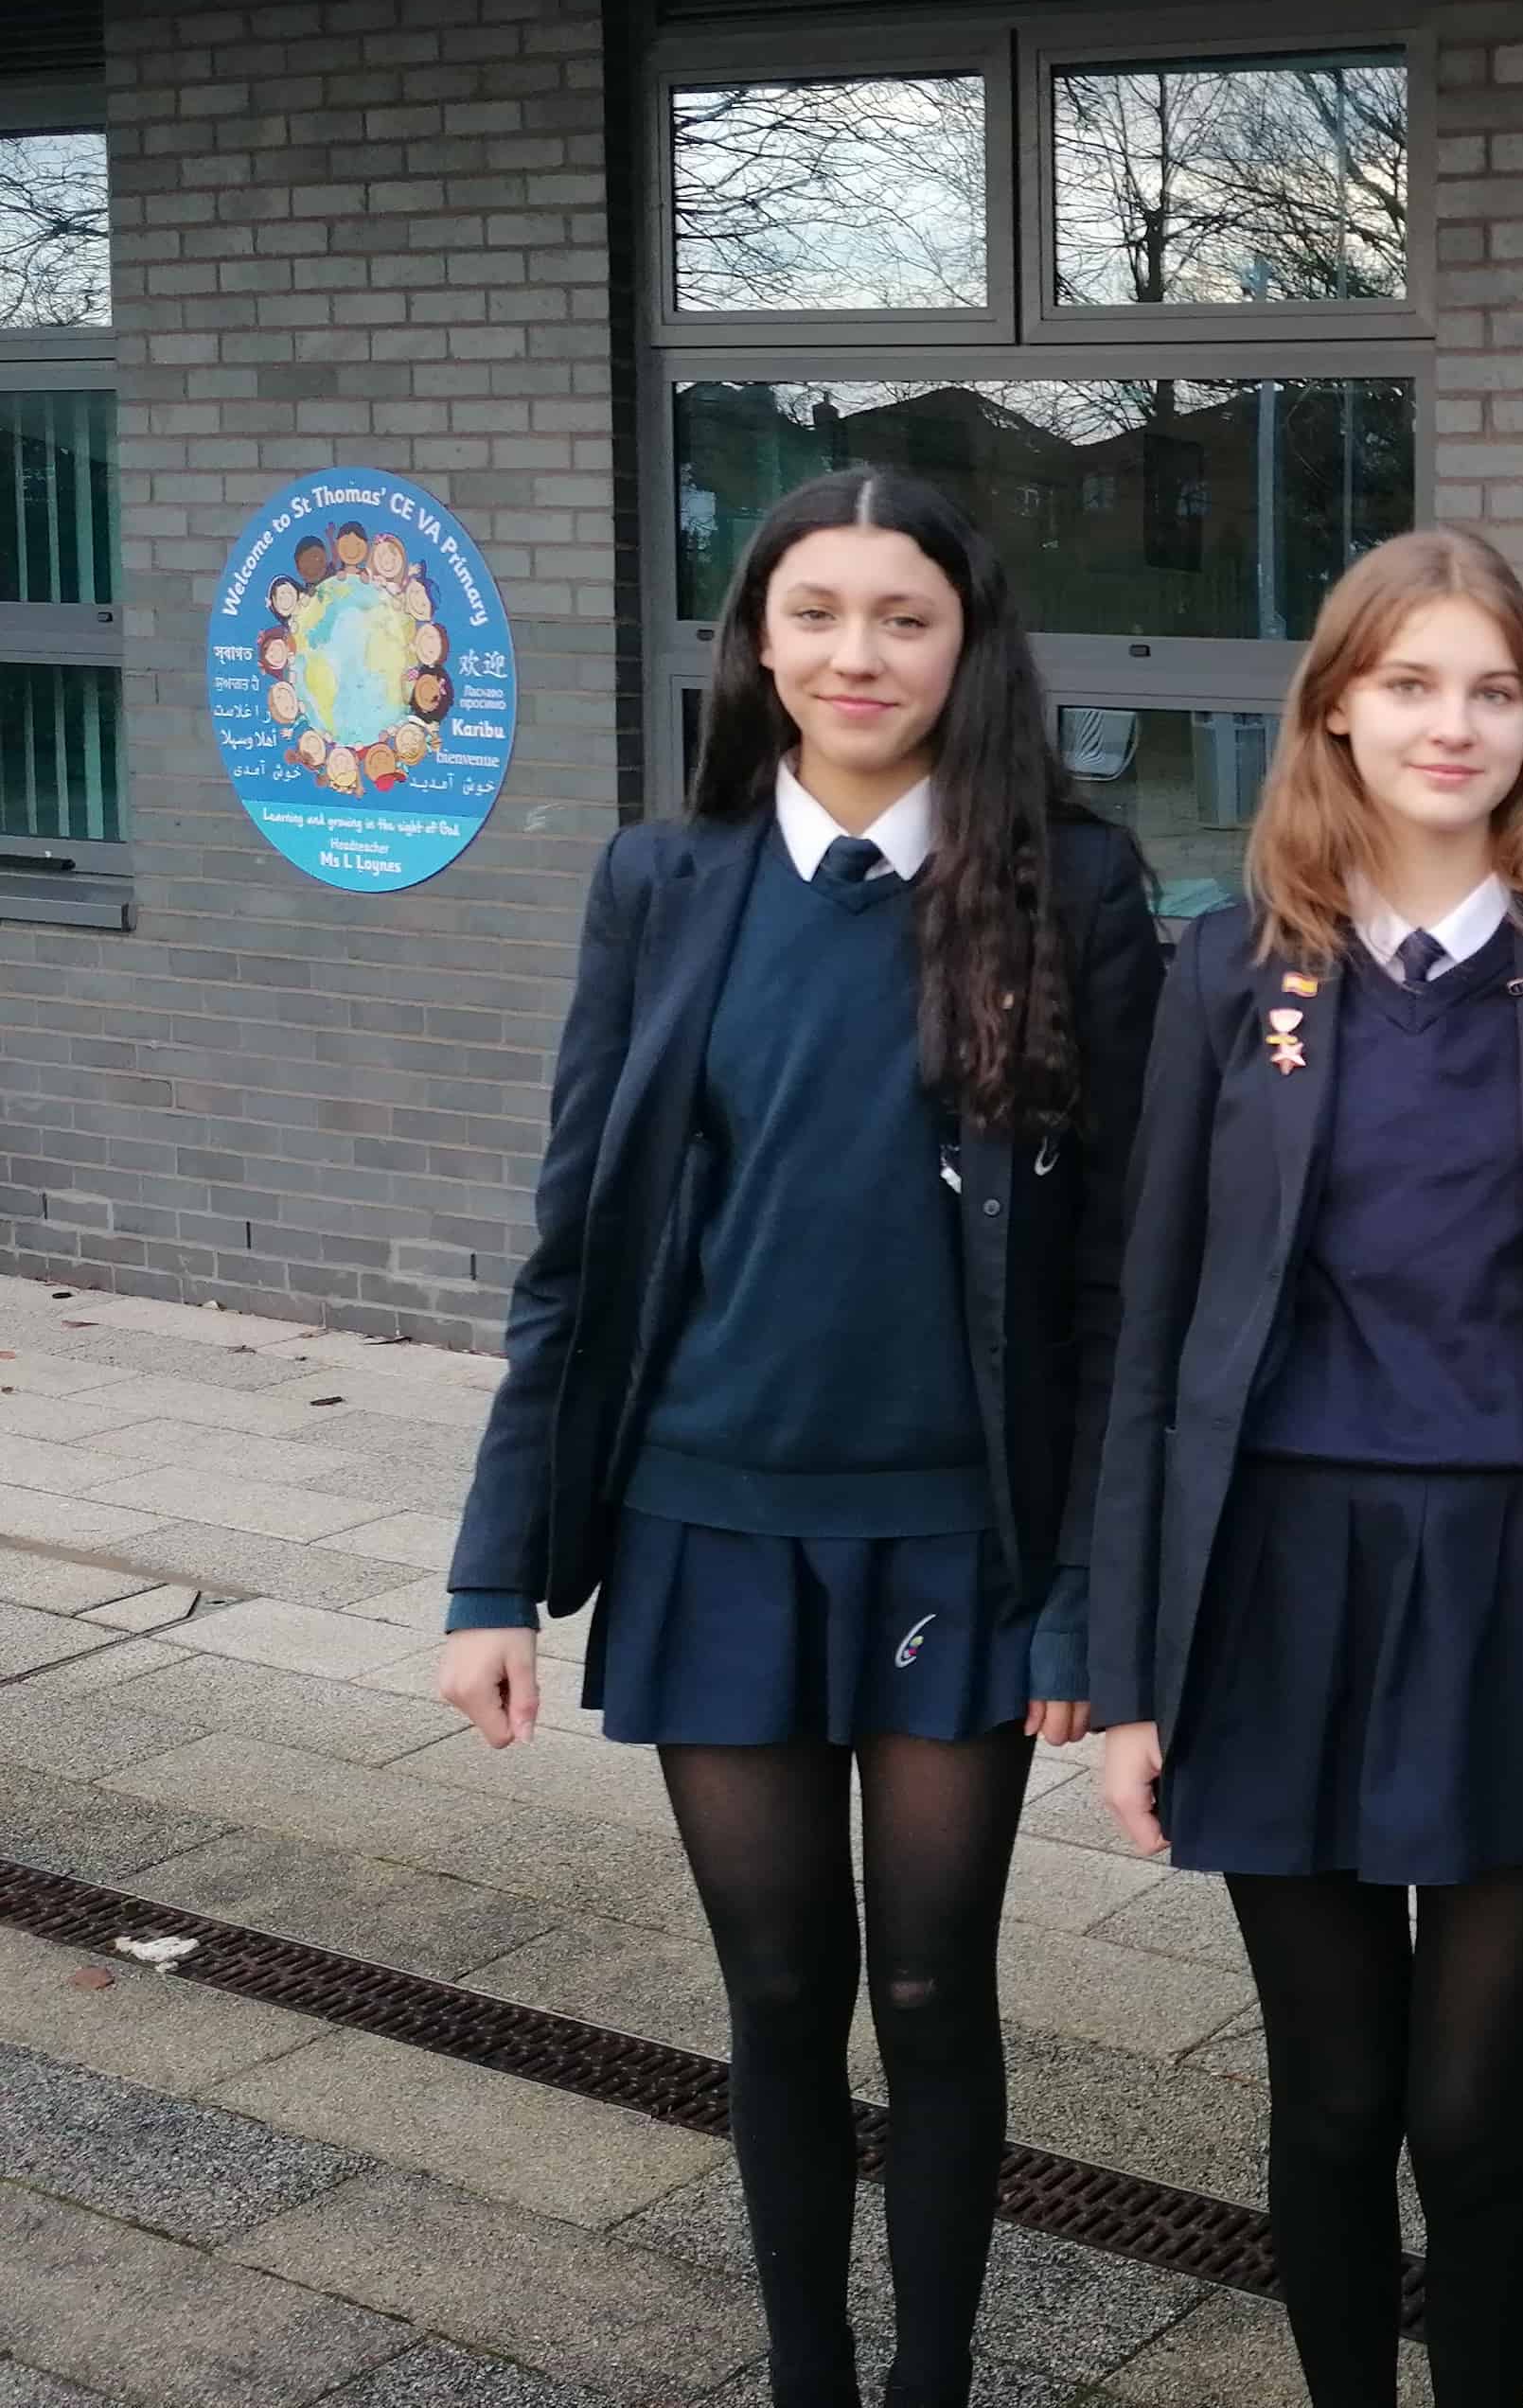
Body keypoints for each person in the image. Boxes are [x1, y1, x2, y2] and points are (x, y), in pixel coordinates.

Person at [436, 467, 1160, 2408]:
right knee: (776, 1996)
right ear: (756, 637)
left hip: (955, 1540)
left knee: (930, 1990)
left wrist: (1087, 1599)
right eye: (817, 612)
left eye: (903, 617)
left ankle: (931, 2378)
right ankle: (808, 2376)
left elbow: (1109, 1294)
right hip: (707, 1522)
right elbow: (574, 1245)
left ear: (967, 646)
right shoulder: (661, 887)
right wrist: (492, 1568)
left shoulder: (1071, 890)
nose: (859, 653)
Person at [1086, 528, 1523, 2408]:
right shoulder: (1227, 977)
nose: (1448, 724)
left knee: (1468, 2110)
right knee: (1329, 2099)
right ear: (1334, 711)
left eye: (1489, 689)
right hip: (1273, 1590)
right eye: (1407, 684)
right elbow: (1148, 1349)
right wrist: (1130, 1674)